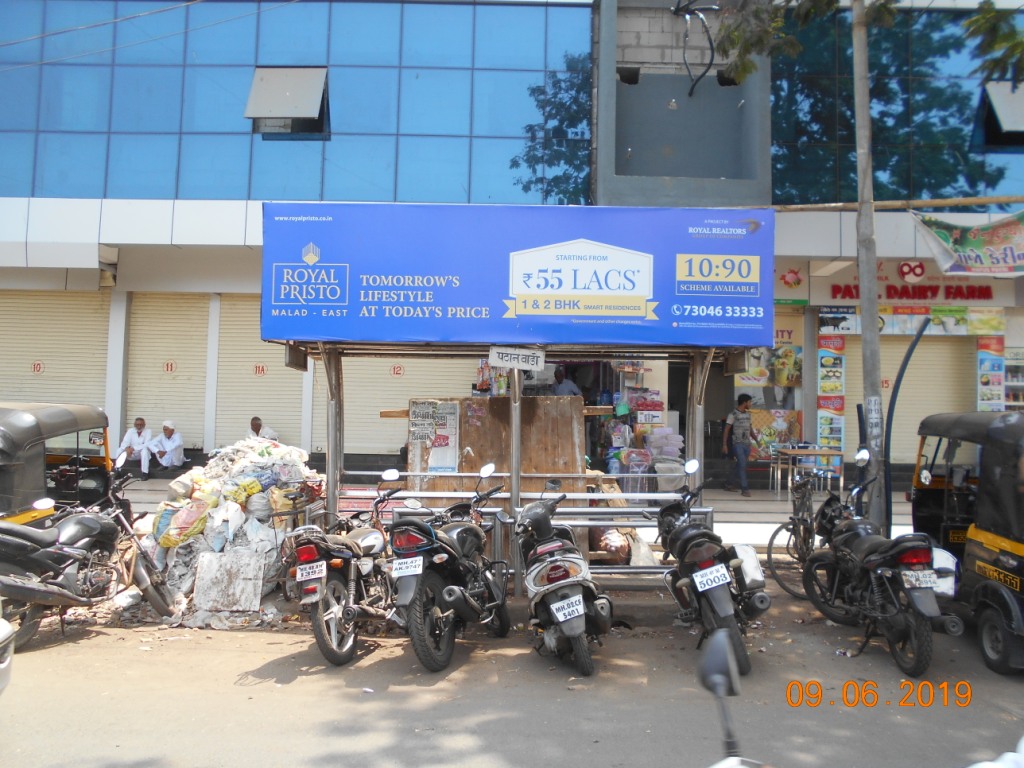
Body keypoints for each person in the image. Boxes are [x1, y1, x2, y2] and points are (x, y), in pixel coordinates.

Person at [723, 394, 756, 497]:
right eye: (750, 402)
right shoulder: (733, 414)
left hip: (747, 445)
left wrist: (756, 440)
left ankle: (729, 483)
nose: (751, 404)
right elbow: (727, 429)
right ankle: (745, 489)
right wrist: (724, 444)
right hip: (737, 444)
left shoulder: (748, 415)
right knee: (742, 465)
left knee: (740, 465)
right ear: (744, 402)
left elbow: (750, 429)